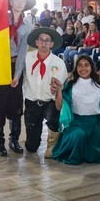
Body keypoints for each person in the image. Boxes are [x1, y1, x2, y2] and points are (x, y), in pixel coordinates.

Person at [51, 55, 100, 165]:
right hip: (76, 124)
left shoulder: (99, 87)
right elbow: (59, 107)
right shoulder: (70, 85)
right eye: (80, 65)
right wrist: (59, 90)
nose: (83, 69)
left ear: (92, 67)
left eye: (86, 65)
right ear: (76, 68)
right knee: (78, 135)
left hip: (94, 125)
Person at [0, 0, 34, 156]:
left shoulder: (26, 26)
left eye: (23, 1)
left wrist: (17, 74)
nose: (20, 3)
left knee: (15, 104)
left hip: (15, 65)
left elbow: (23, 51)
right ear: (11, 2)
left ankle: (14, 139)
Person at [20, 27, 68, 157]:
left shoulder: (59, 63)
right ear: (36, 42)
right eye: (41, 40)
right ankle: (32, 140)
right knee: (31, 147)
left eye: (47, 40)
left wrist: (57, 88)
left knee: (54, 120)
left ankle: (52, 145)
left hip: (50, 102)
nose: (44, 43)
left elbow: (62, 86)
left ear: (51, 44)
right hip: (32, 102)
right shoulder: (27, 58)